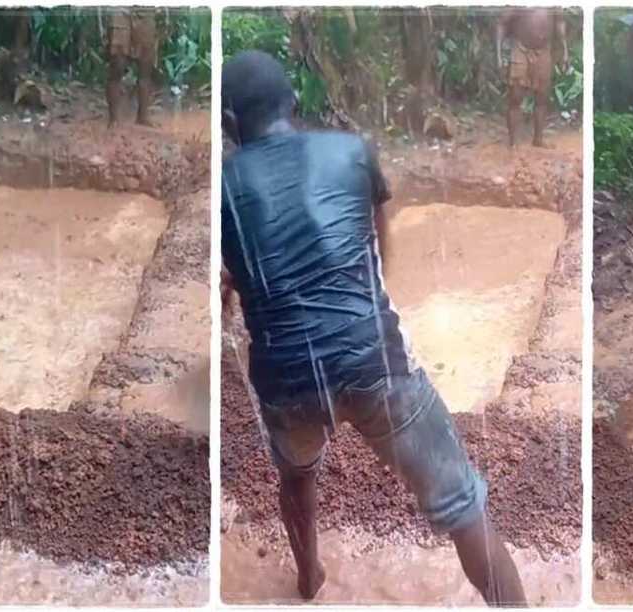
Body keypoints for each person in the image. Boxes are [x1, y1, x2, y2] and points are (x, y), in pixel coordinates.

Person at [220, 50, 527, 607]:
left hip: (288, 382)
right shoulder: (353, 152)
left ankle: (309, 578)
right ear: (294, 102)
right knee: (463, 505)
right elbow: (375, 257)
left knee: (296, 474)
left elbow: (241, 283)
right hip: (374, 362)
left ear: (229, 123)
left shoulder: (223, 186)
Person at [496, 9, 568, 148]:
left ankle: (538, 139)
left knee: (542, 97)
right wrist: (499, 56)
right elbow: (501, 23)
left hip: (544, 51)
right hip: (520, 49)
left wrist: (565, 51)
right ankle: (513, 142)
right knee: (515, 97)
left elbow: (560, 21)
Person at [106, 8, 158, 128]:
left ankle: (143, 116)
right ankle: (113, 119)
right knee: (117, 65)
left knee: (146, 66)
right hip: (121, 9)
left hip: (146, 10)